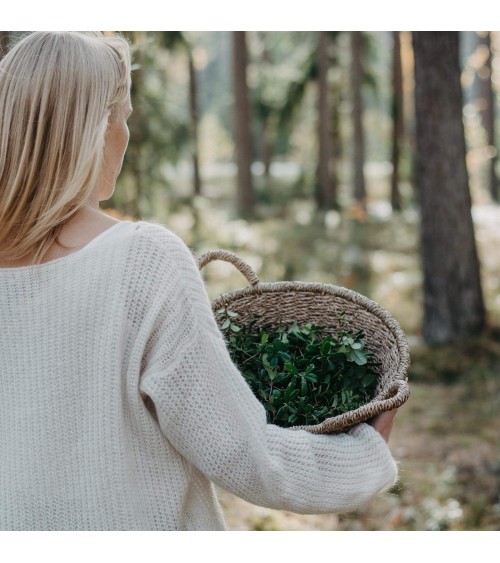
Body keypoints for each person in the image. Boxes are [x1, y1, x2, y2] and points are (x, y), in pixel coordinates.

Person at [0, 31, 399, 531]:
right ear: (98, 128)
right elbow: (243, 454)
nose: (126, 135)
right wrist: (366, 455)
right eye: (124, 117)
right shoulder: (141, 260)